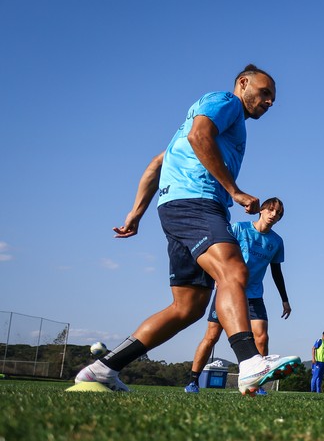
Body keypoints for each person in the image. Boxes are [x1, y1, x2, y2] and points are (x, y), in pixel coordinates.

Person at [74, 65, 301, 395]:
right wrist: (234, 191)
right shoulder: (226, 103)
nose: (269, 102)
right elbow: (199, 136)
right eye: (265, 93)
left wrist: (136, 213)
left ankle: (102, 368)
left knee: (188, 307)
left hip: (175, 207)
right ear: (243, 84)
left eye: (273, 98)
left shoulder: (194, 124)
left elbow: (157, 163)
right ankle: (251, 362)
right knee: (233, 269)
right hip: (198, 202)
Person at [184, 197, 291, 394]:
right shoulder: (239, 229)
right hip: (229, 291)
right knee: (212, 336)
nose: (273, 215)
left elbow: (277, 272)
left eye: (278, 214)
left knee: (262, 337)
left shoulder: (276, 242)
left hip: (254, 295)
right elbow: (217, 252)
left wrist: (285, 299)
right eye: (271, 210)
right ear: (262, 210)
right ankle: (192, 381)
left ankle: (257, 382)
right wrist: (214, 276)